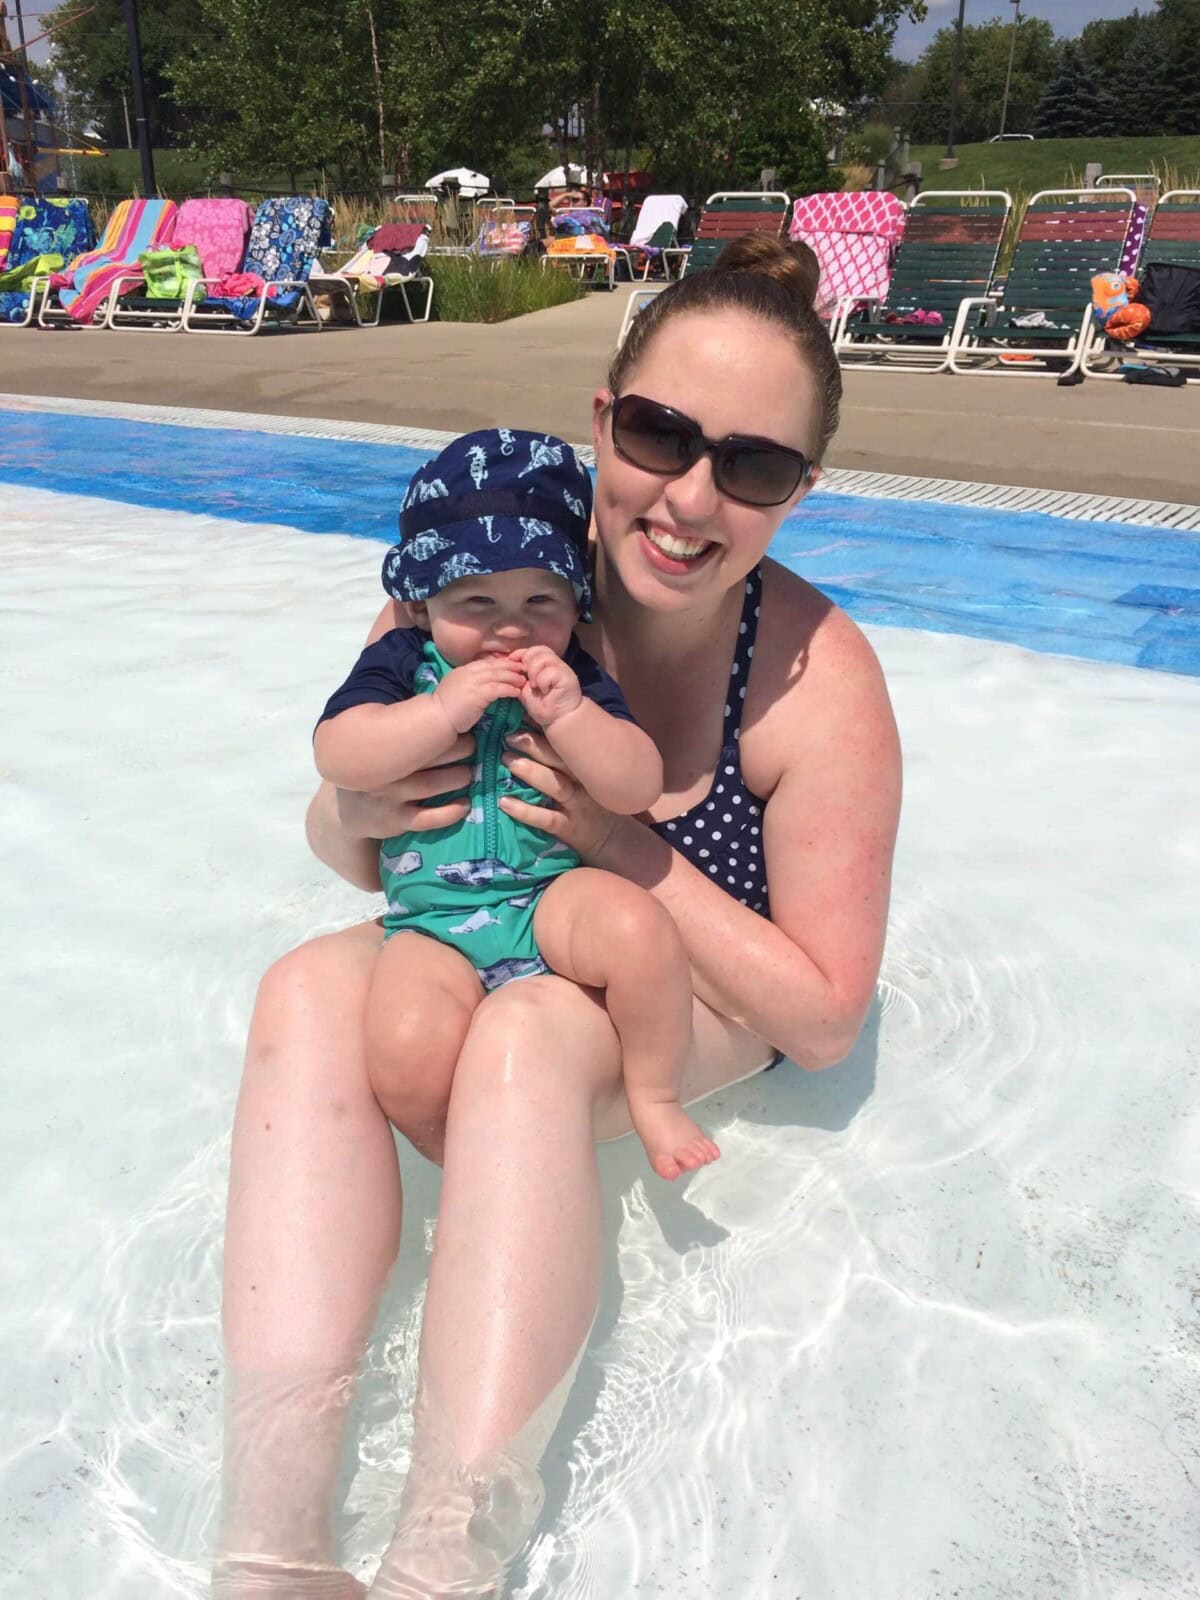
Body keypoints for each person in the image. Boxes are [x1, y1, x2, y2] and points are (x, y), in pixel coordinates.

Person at [214, 232, 902, 1599]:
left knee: (530, 1036)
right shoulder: (490, 574)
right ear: (604, 420)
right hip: (493, 915)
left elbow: (825, 1016)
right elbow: (347, 819)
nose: (691, 498)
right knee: (304, 986)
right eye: (660, 433)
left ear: (798, 493)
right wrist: (356, 816)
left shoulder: (818, 683)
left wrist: (622, 849)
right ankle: (272, 1535)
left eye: (754, 466)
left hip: (679, 991)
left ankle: (442, 1555)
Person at [313, 429, 719, 1181]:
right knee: (403, 1048)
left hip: (549, 896)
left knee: (639, 931)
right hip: (432, 921)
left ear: (575, 602)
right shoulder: (403, 664)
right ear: (425, 603)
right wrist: (436, 712)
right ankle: (453, 1155)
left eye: (540, 599)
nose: (511, 625)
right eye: (476, 600)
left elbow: (635, 786)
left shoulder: (573, 676)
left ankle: (655, 1096)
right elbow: (338, 754)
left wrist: (573, 719)